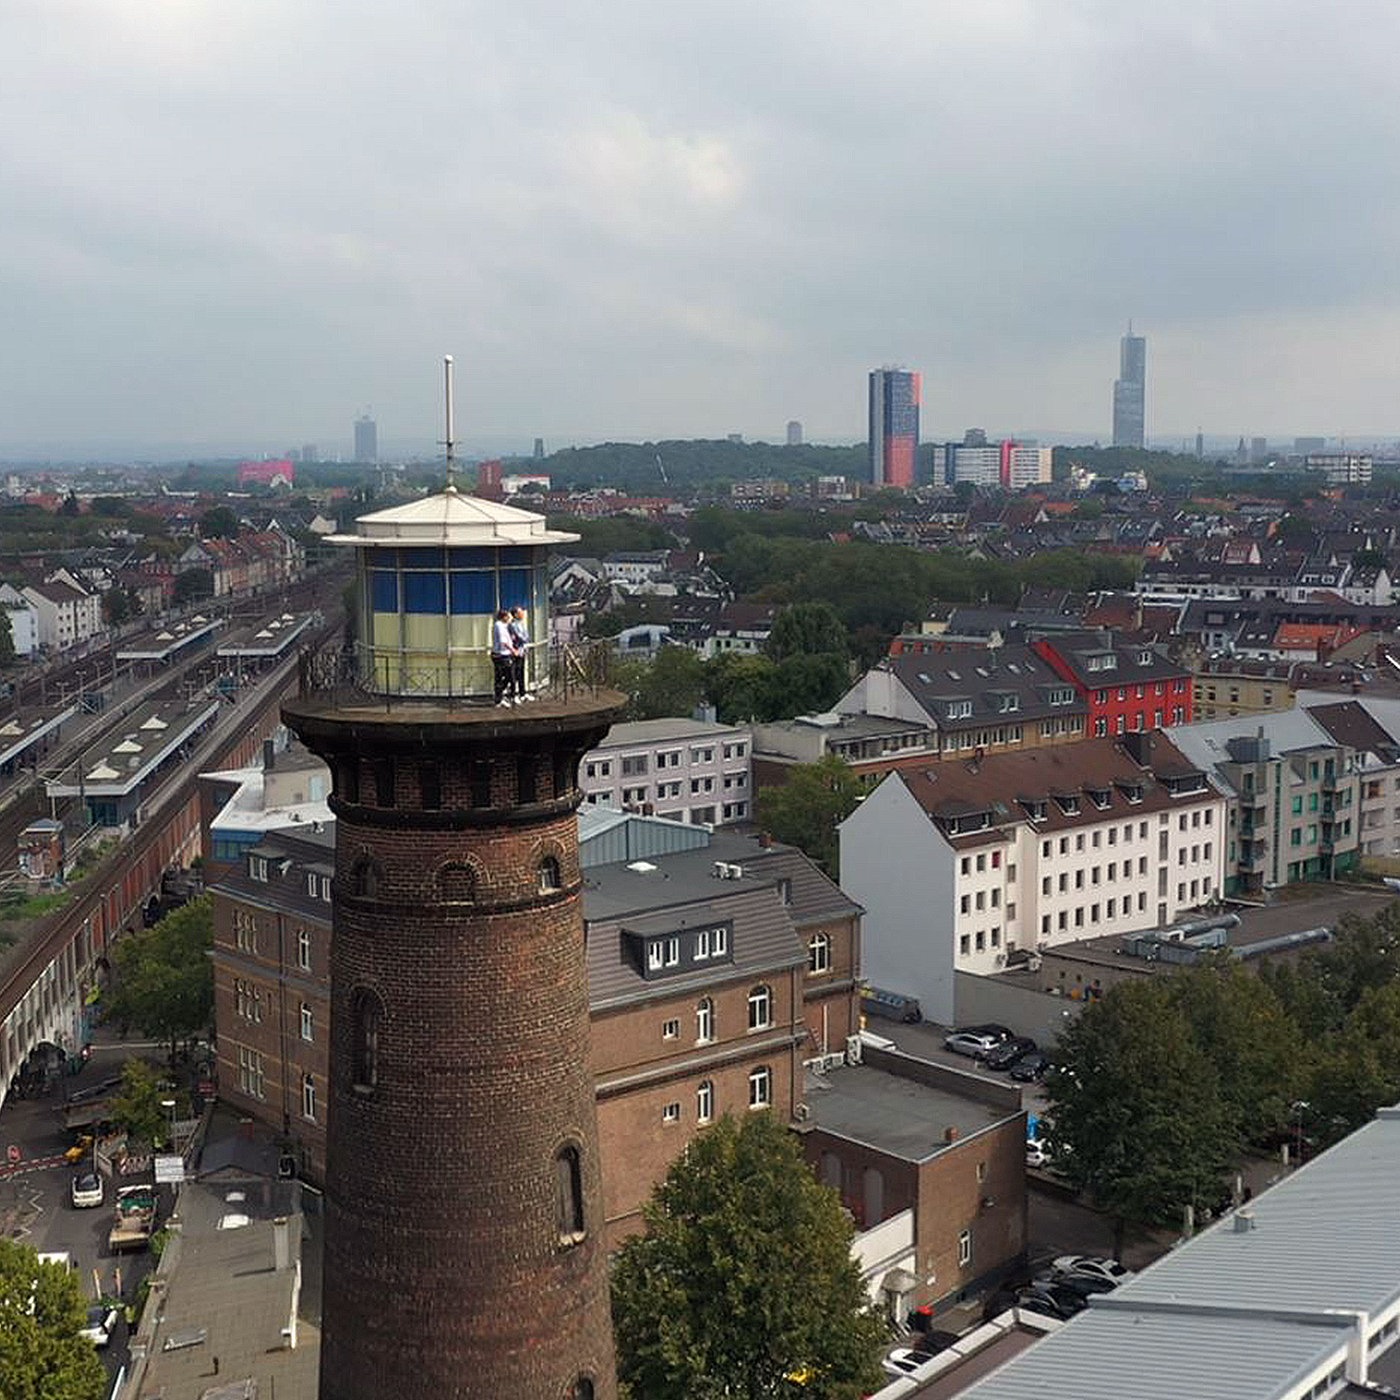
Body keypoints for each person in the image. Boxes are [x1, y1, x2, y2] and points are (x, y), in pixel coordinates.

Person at [491, 609, 515, 706]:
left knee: (509, 676)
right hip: (500, 655)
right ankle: (498, 698)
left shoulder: (505, 626)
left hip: (505, 654)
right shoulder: (499, 625)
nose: (509, 618)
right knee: (501, 676)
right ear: (504, 617)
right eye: (508, 617)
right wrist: (513, 650)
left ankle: (499, 694)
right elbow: (503, 641)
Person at [508, 606, 532, 701]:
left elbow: (526, 635)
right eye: (520, 612)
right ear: (516, 614)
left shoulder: (521, 623)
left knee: (521, 672)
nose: (523, 613)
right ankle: (513, 695)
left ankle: (523, 693)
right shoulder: (513, 625)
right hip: (515, 652)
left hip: (522, 651)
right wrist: (525, 639)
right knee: (514, 673)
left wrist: (525, 639)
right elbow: (520, 637)